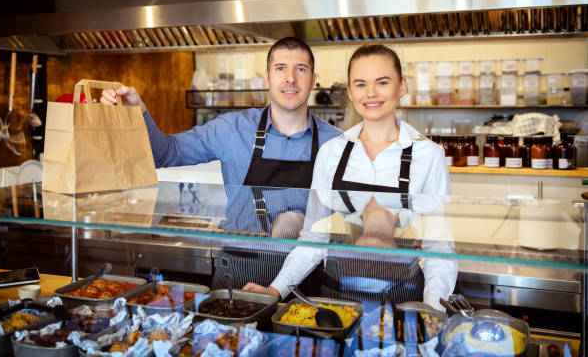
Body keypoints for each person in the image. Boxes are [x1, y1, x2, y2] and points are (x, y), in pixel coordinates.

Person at [101, 37, 341, 290]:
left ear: (313, 80)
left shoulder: (335, 143)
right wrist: (138, 113)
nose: (290, 78)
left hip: (305, 275)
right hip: (239, 269)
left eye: (300, 69)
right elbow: (165, 154)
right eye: (281, 68)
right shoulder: (231, 129)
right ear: (267, 79)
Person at [243, 44, 457, 311]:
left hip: (404, 298)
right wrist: (275, 289)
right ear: (349, 92)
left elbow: (440, 249)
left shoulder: (429, 155)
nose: (371, 94)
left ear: (401, 86)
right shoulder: (332, 152)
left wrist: (432, 311)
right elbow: (314, 239)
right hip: (336, 295)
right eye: (360, 84)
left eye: (382, 82)